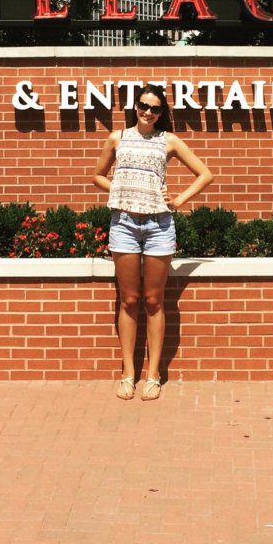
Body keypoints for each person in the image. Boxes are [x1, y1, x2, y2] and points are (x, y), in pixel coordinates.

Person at [92, 84, 213, 401]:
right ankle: (128, 374)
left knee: (154, 301)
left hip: (159, 225)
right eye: (144, 106)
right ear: (135, 106)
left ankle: (153, 374)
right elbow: (98, 176)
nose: (148, 112)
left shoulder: (168, 140)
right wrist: (121, 190)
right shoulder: (117, 138)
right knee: (129, 300)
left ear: (162, 113)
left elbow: (205, 174)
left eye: (155, 109)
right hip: (124, 225)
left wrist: (179, 200)